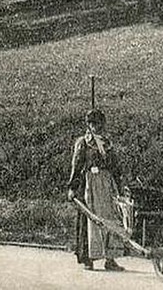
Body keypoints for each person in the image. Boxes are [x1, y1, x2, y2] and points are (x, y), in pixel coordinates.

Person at [67, 108, 126, 272]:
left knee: (111, 219)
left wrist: (120, 186)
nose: (96, 127)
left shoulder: (107, 143)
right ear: (88, 125)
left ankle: (110, 259)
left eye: (99, 123)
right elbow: (76, 166)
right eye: (93, 124)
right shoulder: (83, 143)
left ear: (103, 124)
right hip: (90, 185)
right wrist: (72, 187)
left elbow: (115, 166)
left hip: (107, 185)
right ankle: (88, 259)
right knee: (90, 220)